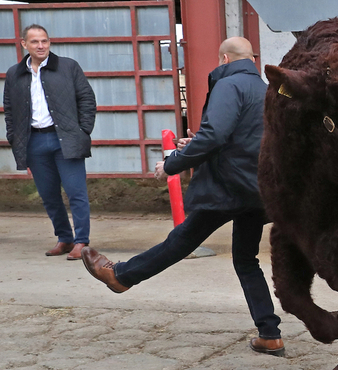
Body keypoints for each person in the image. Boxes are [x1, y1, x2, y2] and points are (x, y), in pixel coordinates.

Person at [80, 37, 285, 356]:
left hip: (228, 188)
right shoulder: (266, 91)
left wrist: (173, 164)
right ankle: (269, 334)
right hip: (257, 188)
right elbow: (244, 137)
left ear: (224, 59)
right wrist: (198, 144)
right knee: (246, 259)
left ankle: (121, 276)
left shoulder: (228, 86)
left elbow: (215, 134)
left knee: (181, 240)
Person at [3, 24, 96, 260]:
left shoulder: (68, 67)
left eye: (44, 41)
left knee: (76, 192)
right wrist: (14, 137)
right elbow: (10, 109)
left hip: (64, 138)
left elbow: (86, 98)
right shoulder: (14, 73)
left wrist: (82, 131)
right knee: (48, 194)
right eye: (35, 42)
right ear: (24, 44)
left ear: (49, 42)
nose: (41, 45)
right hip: (34, 141)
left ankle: (81, 241)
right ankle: (64, 238)